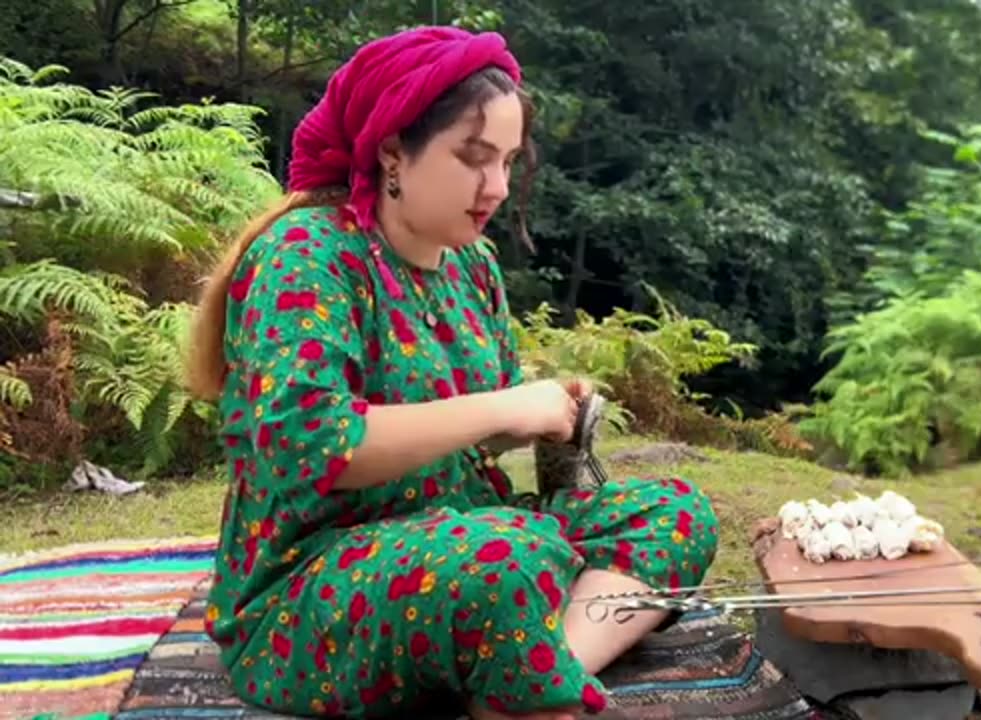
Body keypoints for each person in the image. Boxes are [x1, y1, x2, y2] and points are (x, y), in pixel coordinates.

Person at [183, 25, 720, 720]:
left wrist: (552, 416)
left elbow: (471, 440)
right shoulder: (307, 257)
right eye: (474, 158)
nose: (496, 187)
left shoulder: (473, 268)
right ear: (394, 153)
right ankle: (521, 668)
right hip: (314, 588)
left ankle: (529, 671)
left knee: (676, 514)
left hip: (465, 535)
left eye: (508, 161)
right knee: (510, 559)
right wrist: (504, 408)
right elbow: (306, 447)